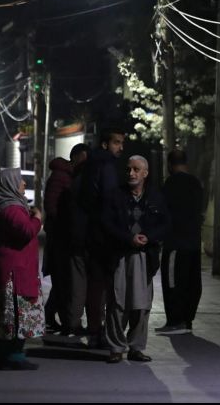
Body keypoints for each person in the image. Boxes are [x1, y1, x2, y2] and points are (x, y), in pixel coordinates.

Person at [102, 155, 169, 363]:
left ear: (145, 173)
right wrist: (128, 238)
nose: (131, 173)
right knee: (117, 302)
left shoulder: (155, 197)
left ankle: (136, 347)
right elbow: (106, 224)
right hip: (121, 255)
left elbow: (166, 223)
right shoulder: (115, 196)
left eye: (136, 169)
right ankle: (116, 347)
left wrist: (149, 237)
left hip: (144, 256)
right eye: (129, 169)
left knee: (141, 304)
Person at [64, 128, 125, 347]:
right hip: (100, 234)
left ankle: (94, 330)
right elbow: (109, 200)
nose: (121, 147)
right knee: (101, 285)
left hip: (88, 232)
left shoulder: (89, 167)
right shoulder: (106, 165)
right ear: (105, 144)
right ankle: (98, 331)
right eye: (116, 142)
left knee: (92, 285)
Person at [0, 168, 44, 370]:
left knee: (6, 315)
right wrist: (37, 219)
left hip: (9, 270)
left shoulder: (3, 205)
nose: (24, 184)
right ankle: (13, 357)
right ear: (10, 184)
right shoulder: (11, 209)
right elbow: (26, 231)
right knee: (15, 315)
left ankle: (3, 357)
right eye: (20, 181)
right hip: (15, 273)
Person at [42, 143, 89, 332]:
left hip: (64, 234)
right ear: (75, 157)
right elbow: (51, 205)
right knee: (62, 279)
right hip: (59, 236)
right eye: (83, 158)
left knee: (64, 280)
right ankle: (57, 318)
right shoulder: (61, 176)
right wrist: (64, 223)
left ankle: (57, 317)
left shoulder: (71, 176)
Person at [157, 149, 204, 335]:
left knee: (173, 281)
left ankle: (175, 321)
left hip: (175, 242)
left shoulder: (171, 183)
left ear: (169, 165)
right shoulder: (196, 183)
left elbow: (163, 211)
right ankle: (187, 320)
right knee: (192, 281)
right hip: (193, 242)